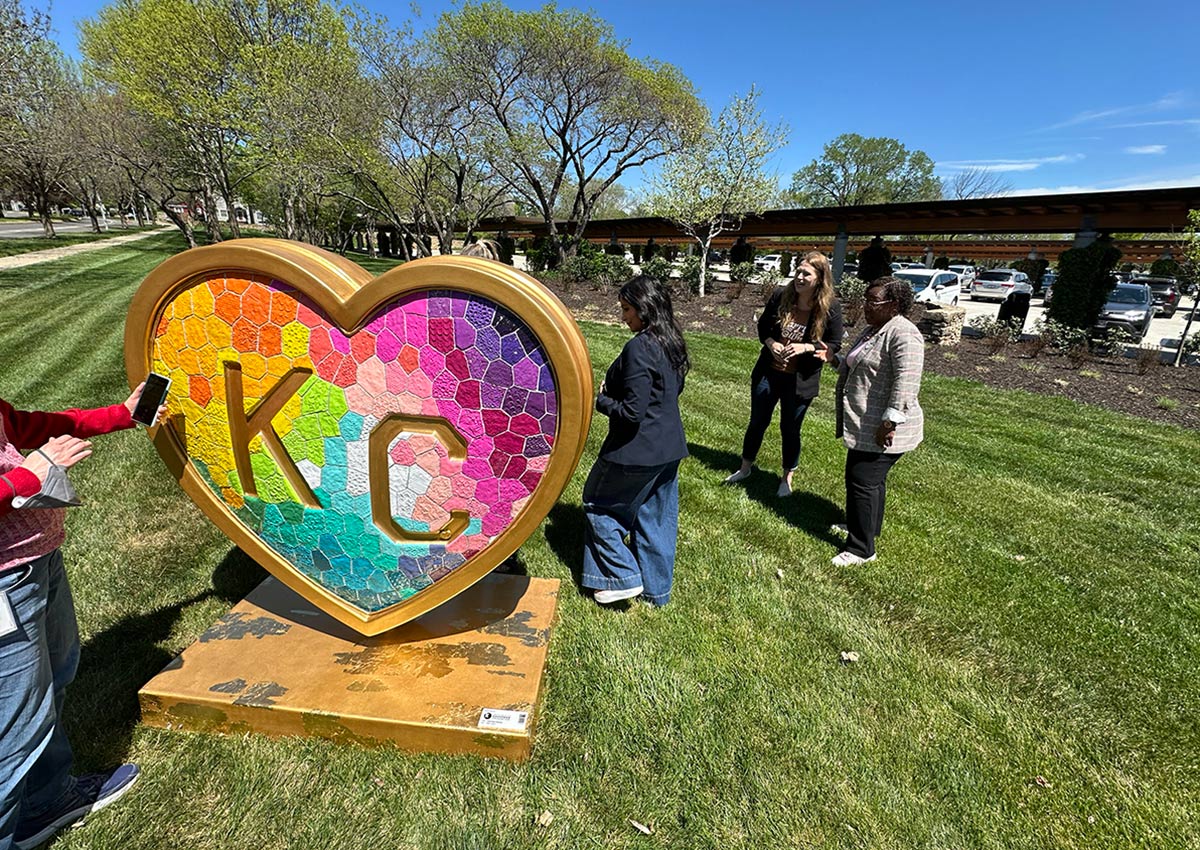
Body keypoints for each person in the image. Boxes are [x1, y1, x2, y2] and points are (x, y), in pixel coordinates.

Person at [1, 384, 164, 850]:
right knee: (13, 724)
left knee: (52, 679)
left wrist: (121, 413)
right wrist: (25, 479)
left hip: (34, 562)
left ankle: (45, 802)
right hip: (4, 587)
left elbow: (31, 426)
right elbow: (24, 467)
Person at [581, 276, 689, 606]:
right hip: (669, 448)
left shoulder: (640, 347)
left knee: (598, 505)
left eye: (627, 309)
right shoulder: (671, 341)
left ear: (645, 309)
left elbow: (631, 413)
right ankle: (657, 593)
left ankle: (621, 577)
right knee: (654, 520)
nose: (623, 317)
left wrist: (601, 400)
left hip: (635, 452)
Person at [724, 251, 844, 497]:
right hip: (769, 373)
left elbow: (834, 343)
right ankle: (745, 468)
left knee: (790, 428)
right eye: (798, 272)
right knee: (757, 421)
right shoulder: (781, 296)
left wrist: (806, 347)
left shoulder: (830, 307)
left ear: (820, 278)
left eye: (806, 274)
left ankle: (786, 479)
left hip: (800, 381)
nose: (799, 277)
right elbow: (763, 327)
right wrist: (771, 344)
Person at [831, 277, 924, 566]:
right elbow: (857, 364)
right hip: (865, 422)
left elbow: (906, 383)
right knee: (870, 482)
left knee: (862, 480)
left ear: (893, 305)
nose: (866, 306)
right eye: (866, 300)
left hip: (883, 426)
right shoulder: (875, 330)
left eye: (873, 301)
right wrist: (832, 359)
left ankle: (861, 549)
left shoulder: (904, 334)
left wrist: (890, 422)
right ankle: (866, 529)